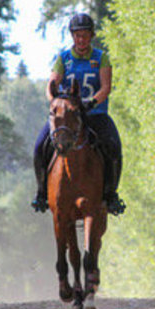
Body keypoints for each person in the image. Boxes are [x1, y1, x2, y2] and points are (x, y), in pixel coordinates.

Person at [31, 13, 126, 215]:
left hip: (95, 113)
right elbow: (51, 86)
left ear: (91, 36)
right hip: (66, 116)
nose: (81, 40)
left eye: (85, 35)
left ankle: (111, 194)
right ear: (72, 36)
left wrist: (91, 103)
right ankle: (41, 192)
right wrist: (56, 103)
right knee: (40, 146)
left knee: (113, 146)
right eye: (77, 35)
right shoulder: (63, 59)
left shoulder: (101, 57)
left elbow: (106, 87)